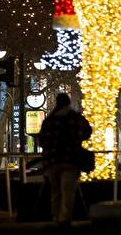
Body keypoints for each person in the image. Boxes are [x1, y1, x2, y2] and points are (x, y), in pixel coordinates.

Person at [38, 93, 92, 226]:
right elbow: (87, 132)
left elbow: (42, 141)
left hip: (52, 161)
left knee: (55, 192)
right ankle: (65, 218)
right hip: (70, 160)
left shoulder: (49, 120)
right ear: (69, 103)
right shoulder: (75, 118)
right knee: (68, 191)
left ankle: (55, 216)